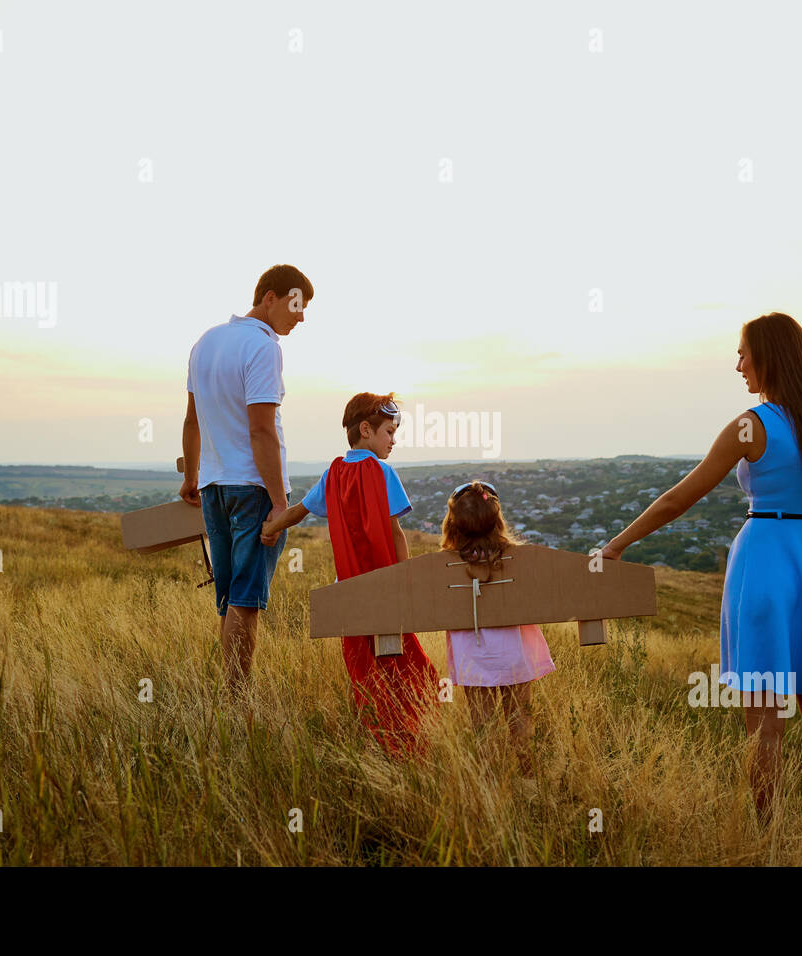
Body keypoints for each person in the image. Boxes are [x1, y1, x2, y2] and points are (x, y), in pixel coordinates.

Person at [602, 312, 802, 854]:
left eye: (743, 352)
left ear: (770, 357)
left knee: (764, 722)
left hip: (763, 566)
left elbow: (679, 497)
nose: (737, 363)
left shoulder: (752, 425)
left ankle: (766, 847)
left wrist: (618, 544)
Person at [261, 393, 438, 757]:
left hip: (349, 597)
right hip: (386, 592)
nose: (394, 440)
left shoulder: (333, 474)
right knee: (409, 670)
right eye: (390, 432)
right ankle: (410, 743)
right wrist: (405, 579)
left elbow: (298, 512)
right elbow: (395, 533)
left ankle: (376, 744)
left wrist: (270, 529)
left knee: (364, 674)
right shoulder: (383, 472)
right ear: (366, 430)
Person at [179, 264, 313, 697]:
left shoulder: (205, 342)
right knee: (246, 601)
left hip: (215, 487)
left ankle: (229, 694)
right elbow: (261, 429)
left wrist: (193, 477)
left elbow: (192, 421)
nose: (301, 316)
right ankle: (237, 699)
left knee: (230, 597)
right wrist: (279, 503)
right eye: (297, 304)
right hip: (253, 489)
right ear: (269, 297)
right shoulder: (262, 346)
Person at [440, 480, 554, 778]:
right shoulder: (517, 559)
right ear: (497, 521)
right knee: (521, 721)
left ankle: (489, 783)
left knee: (483, 726)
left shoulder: (443, 567)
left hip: (473, 657)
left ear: (452, 525)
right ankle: (529, 777)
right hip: (515, 651)